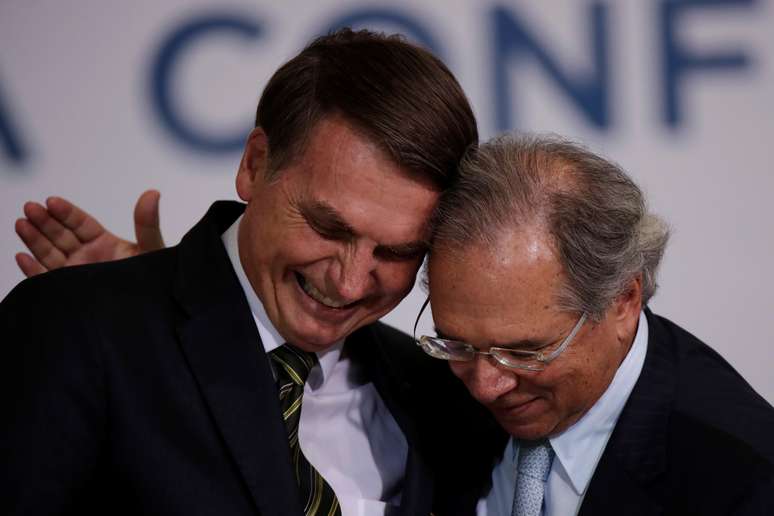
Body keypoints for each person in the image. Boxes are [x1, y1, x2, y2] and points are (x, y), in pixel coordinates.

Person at [1, 29, 500, 516]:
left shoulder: (443, 398)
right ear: (255, 164)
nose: (349, 283)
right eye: (328, 227)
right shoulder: (78, 331)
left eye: (394, 252)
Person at [415, 134, 774, 515]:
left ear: (623, 301)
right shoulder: (419, 400)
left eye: (523, 351)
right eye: (457, 345)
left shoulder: (746, 479)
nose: (486, 387)